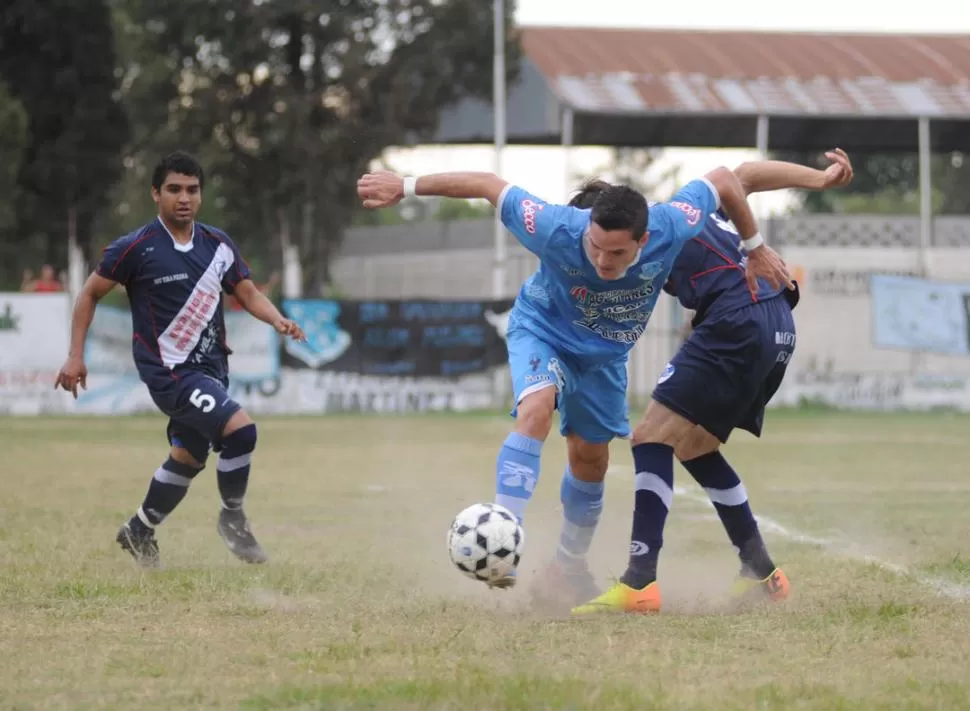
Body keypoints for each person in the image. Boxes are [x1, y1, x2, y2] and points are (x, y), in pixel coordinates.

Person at [356, 162, 791, 592]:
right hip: (543, 330)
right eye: (595, 246)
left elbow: (724, 179)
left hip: (604, 357)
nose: (602, 260)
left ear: (644, 240)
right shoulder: (553, 226)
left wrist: (755, 246)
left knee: (590, 459)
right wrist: (406, 185)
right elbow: (488, 184)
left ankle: (569, 564)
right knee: (536, 409)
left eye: (617, 253)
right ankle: (507, 534)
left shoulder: (671, 223)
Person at [569, 150, 854, 615]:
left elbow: (732, 178)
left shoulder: (653, 230)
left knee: (650, 439)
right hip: (776, 321)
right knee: (695, 446)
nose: (599, 254)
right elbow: (741, 176)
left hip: (738, 320)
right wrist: (820, 179)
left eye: (602, 243)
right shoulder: (689, 208)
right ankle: (761, 572)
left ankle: (639, 582)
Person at [54, 150, 305, 568]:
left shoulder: (218, 244)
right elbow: (89, 294)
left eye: (191, 190)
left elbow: (245, 290)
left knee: (188, 457)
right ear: (156, 194)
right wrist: (75, 356)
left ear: (201, 195)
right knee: (241, 432)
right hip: (170, 374)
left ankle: (139, 529)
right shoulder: (135, 247)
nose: (183, 198)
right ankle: (233, 518)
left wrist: (277, 319)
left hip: (212, 370)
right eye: (173, 189)